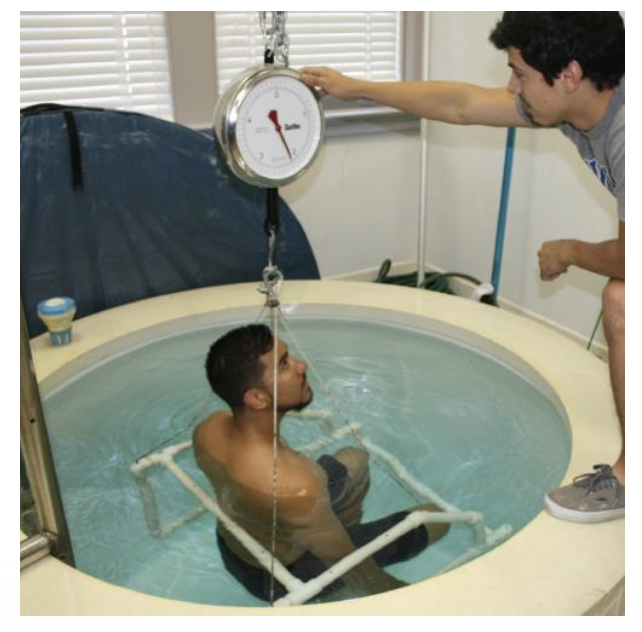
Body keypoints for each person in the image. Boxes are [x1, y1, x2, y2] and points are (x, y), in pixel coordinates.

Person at [300, 12, 624, 524]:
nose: (511, 86)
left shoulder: (627, 131)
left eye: (519, 73)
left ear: (569, 75)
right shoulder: (573, 106)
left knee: (621, 299)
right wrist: (357, 88)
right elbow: (462, 104)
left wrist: (568, 250)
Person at [193, 324, 450, 602]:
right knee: (437, 517)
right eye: (283, 365)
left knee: (355, 459)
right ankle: (330, 553)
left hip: (235, 548)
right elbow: (354, 570)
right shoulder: (296, 486)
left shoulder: (210, 428)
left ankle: (331, 532)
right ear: (257, 398)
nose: (301, 365)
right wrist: (409, 602)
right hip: (282, 576)